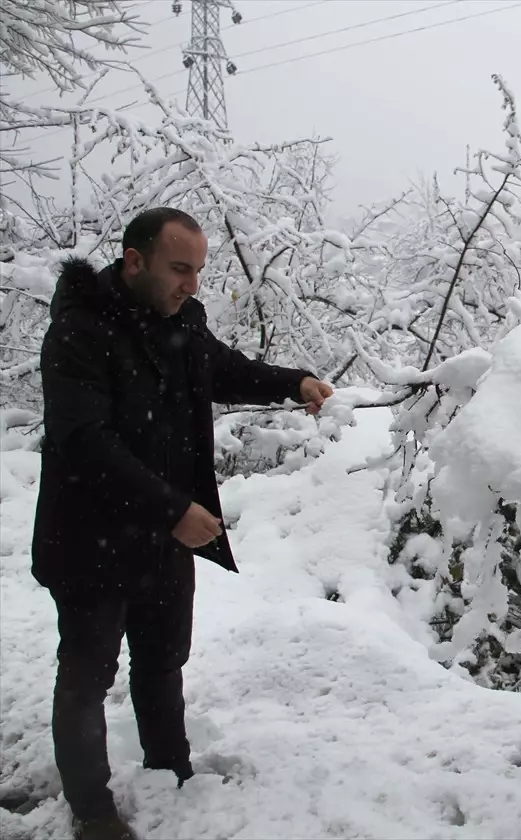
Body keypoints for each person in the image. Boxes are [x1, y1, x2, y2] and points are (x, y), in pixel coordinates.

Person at [32, 207, 334, 840]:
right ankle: (92, 812)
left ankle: (170, 770)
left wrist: (293, 382)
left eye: (198, 271)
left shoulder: (182, 320)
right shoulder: (79, 331)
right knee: (87, 678)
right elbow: (84, 440)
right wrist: (173, 509)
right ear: (134, 260)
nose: (191, 285)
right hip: (91, 541)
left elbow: (224, 370)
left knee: (163, 662)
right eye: (179, 269)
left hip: (162, 540)